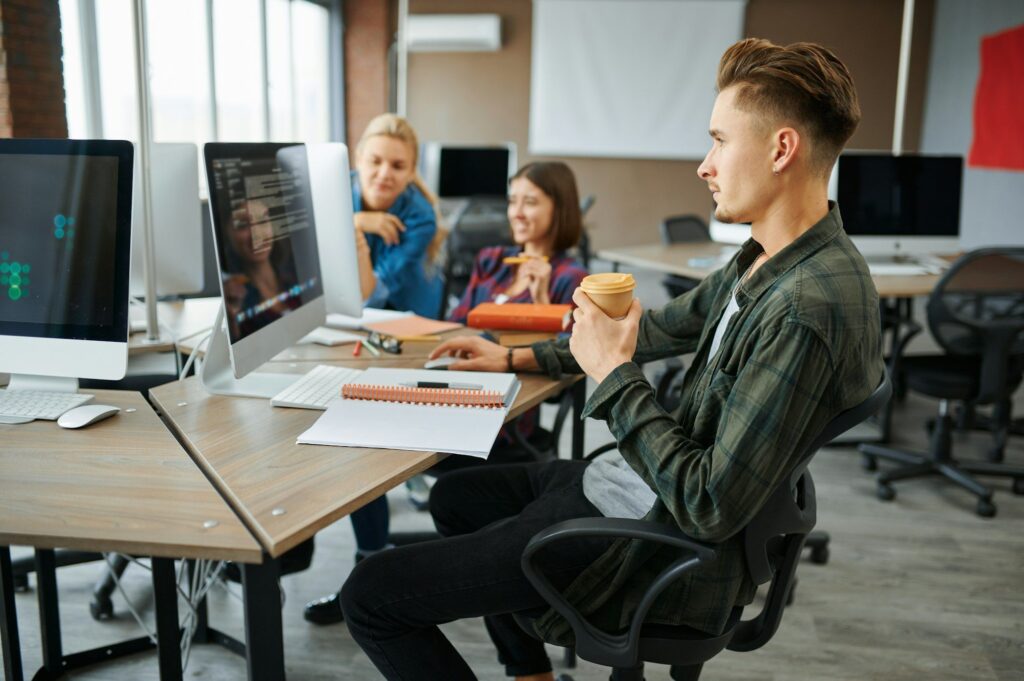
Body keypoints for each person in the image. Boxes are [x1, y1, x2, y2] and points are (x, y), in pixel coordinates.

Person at [339, 37, 885, 681]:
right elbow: (658, 327)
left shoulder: (804, 308)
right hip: (637, 490)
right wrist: (512, 360)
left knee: (369, 596)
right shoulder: (770, 257)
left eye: (719, 141)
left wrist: (614, 376)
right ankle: (530, 672)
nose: (705, 165)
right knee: (457, 497)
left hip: (657, 545)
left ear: (781, 149)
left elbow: (707, 503)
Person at [303, 162, 589, 625]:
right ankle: (367, 559)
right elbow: (455, 321)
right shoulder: (492, 259)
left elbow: (569, 356)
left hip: (504, 421)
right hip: (452, 389)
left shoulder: (569, 277)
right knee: (361, 434)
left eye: (531, 201)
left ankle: (374, 574)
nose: (517, 212)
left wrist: (540, 306)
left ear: (562, 209)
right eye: (513, 200)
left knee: (370, 439)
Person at [350, 112, 444, 319]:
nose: (384, 174)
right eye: (375, 161)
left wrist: (350, 229)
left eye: (398, 166)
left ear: (411, 172)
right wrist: (356, 220)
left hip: (406, 315)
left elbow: (370, 295)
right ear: (358, 160)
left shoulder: (422, 218)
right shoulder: (335, 190)